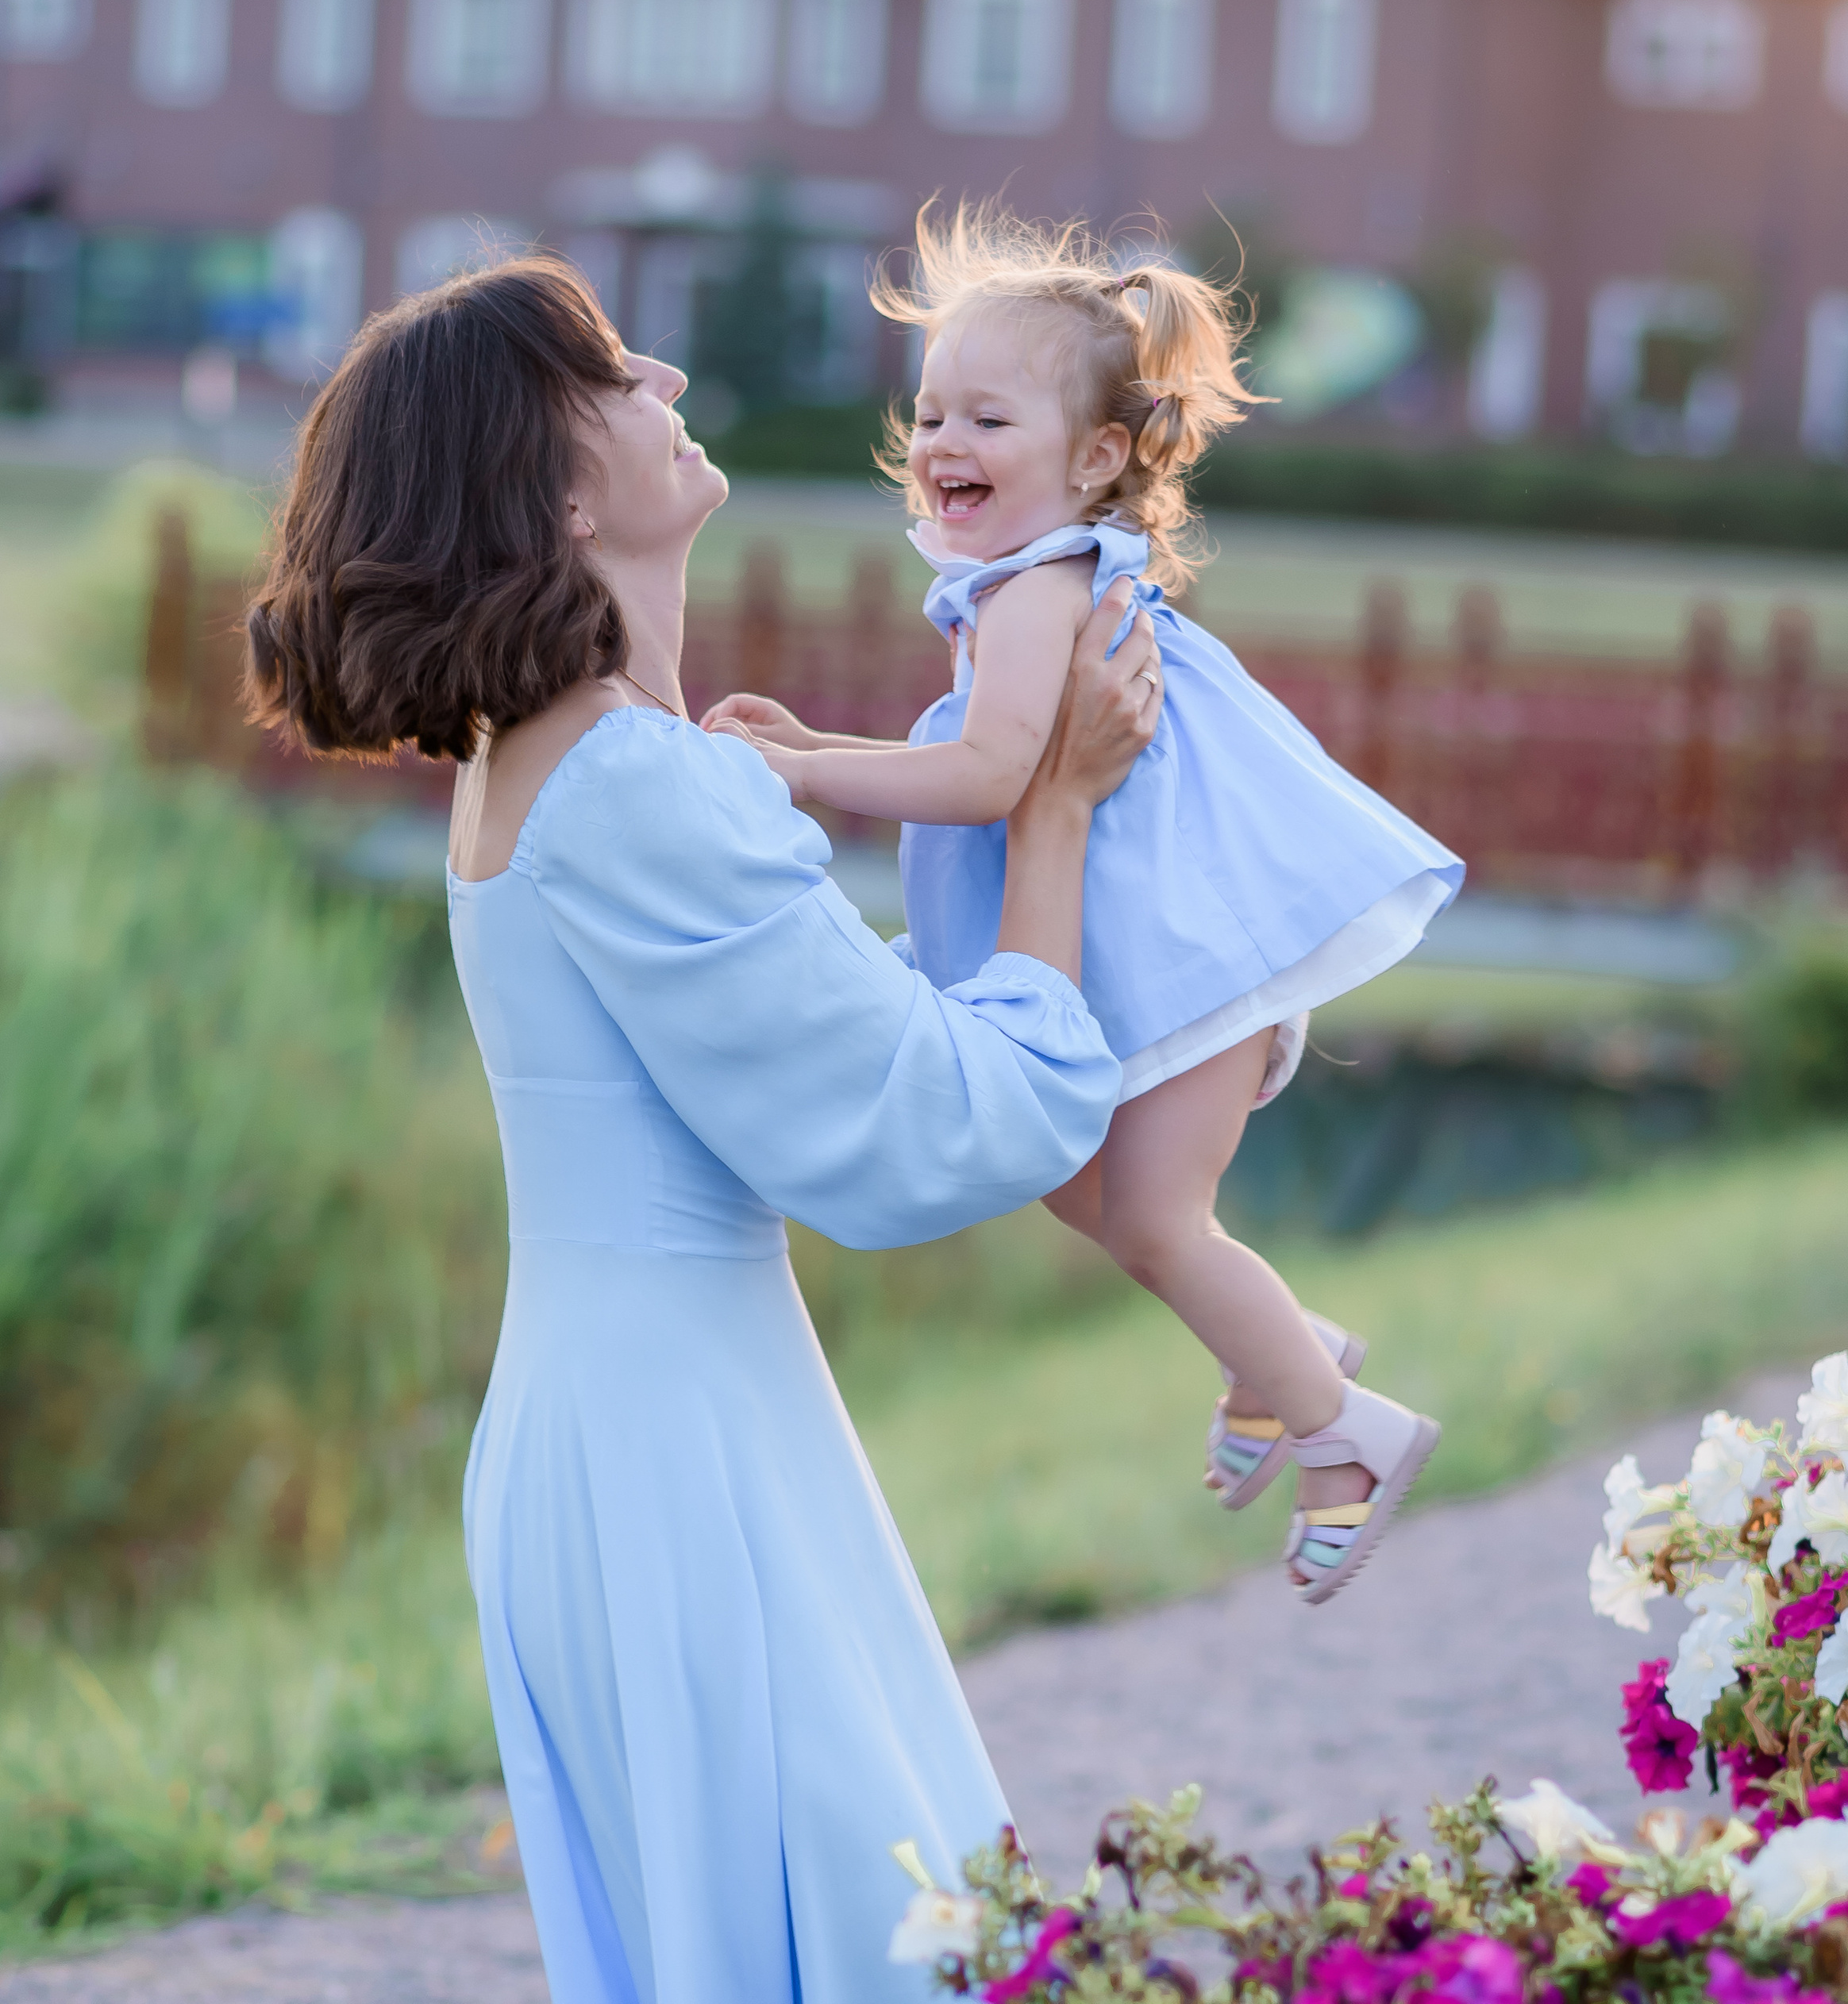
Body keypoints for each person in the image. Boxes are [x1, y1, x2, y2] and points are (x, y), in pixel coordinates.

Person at [244, 256, 1164, 2004]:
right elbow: (941, 1134)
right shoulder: (628, 781)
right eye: (606, 365)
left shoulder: (564, 761)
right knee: (881, 1938)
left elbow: (812, 1046)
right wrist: (1048, 813)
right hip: (676, 1450)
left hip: (634, 1419)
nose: (662, 365)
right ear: (564, 483)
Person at [705, 208, 1465, 1605]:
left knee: (1158, 1224)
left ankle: (1346, 1435)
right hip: (1139, 955)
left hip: (1180, 958)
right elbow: (985, 758)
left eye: (987, 417)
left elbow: (993, 776)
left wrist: (809, 767)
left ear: (1099, 457)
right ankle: (1277, 1351)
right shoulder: (1026, 589)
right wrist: (824, 746)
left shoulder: (1039, 592)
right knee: (1068, 1181)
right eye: (931, 411)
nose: (942, 444)